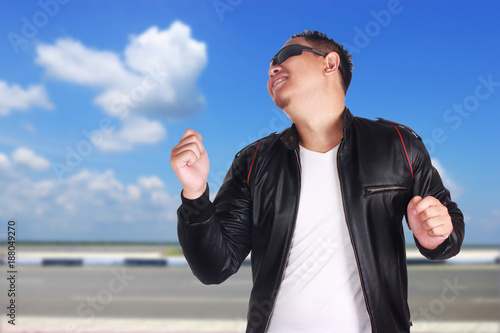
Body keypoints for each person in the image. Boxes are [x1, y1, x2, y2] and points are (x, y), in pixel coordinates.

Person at [170, 30, 465, 333]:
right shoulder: (253, 161)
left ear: (329, 63)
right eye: (270, 64)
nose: (272, 68)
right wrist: (195, 193)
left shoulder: (398, 145)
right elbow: (213, 267)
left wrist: (438, 235)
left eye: (286, 56)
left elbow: (449, 231)